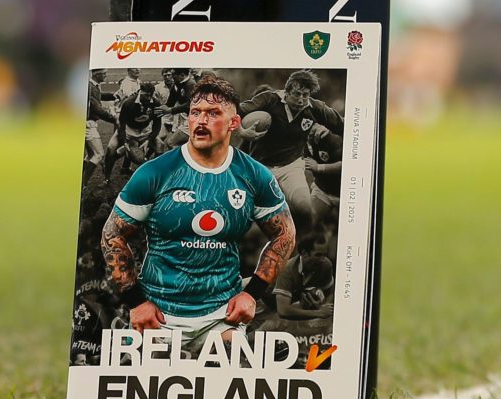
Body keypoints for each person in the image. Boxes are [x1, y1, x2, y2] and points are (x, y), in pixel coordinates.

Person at [100, 73, 297, 356]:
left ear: (234, 123)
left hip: (221, 317)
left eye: (213, 113)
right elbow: (112, 234)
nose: (201, 121)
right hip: (157, 316)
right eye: (195, 113)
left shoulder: (254, 175)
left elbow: (285, 233)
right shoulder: (156, 172)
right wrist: (135, 302)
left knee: (233, 391)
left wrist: (252, 294)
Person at [238, 70, 343, 232]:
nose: (301, 100)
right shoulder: (269, 99)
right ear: (286, 92)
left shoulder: (315, 108)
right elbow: (235, 111)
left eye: (305, 95)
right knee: (244, 221)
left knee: (305, 209)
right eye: (297, 94)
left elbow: (344, 126)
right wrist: (241, 131)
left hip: (291, 167)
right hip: (261, 169)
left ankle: (295, 245)